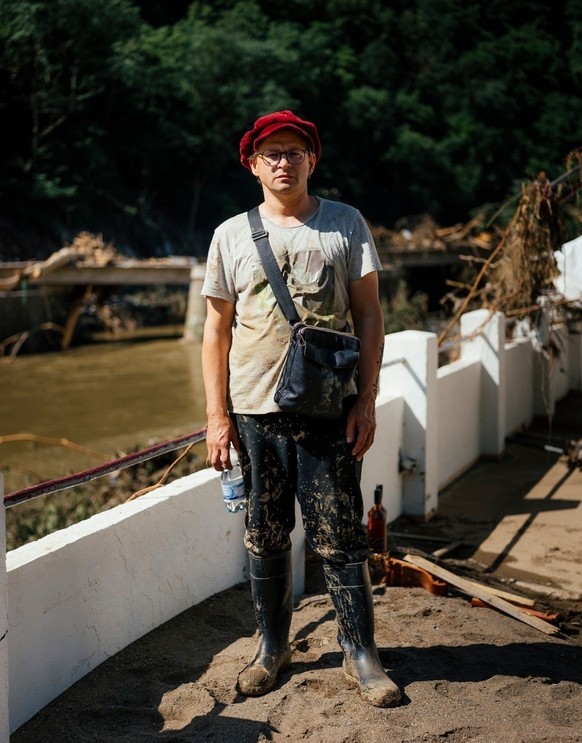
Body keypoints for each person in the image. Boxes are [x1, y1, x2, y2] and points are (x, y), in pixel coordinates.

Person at [201, 109, 401, 708]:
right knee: (264, 533)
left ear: (312, 160)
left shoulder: (345, 224)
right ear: (253, 165)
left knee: (340, 535)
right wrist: (217, 418)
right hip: (255, 410)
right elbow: (216, 330)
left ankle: (360, 652)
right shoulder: (230, 235)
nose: (283, 162)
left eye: (294, 151)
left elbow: (369, 315)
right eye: (272, 154)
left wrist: (366, 400)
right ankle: (272, 646)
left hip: (328, 407)